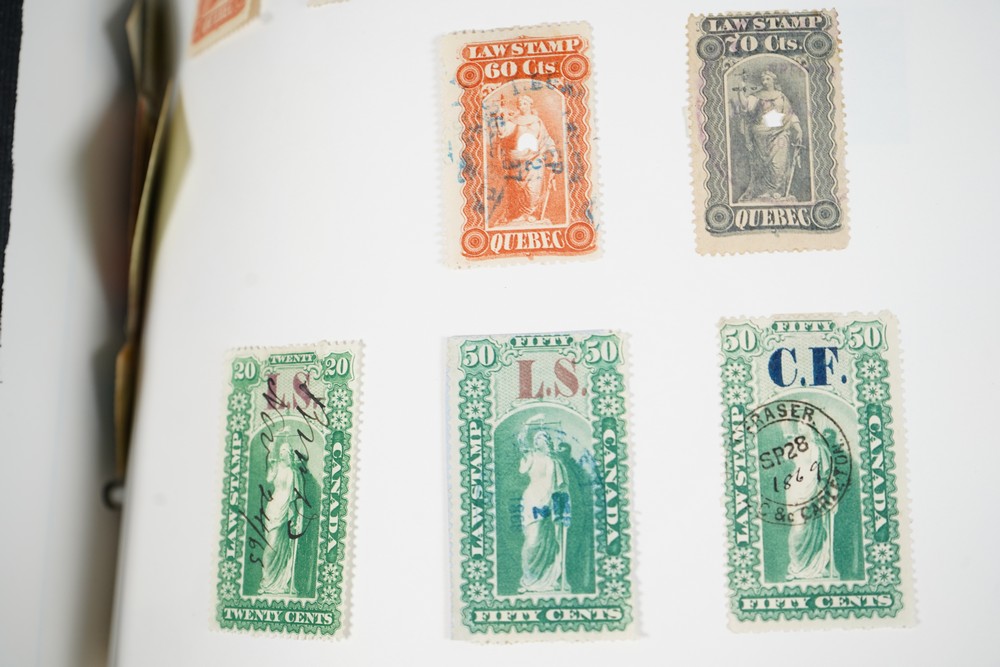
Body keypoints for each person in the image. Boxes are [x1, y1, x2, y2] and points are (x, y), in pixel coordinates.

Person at [732, 69, 804, 203]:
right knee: (763, 166)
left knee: (779, 164)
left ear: (773, 81)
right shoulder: (756, 96)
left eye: (767, 79)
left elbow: (789, 114)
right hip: (760, 136)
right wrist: (740, 90)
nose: (764, 82)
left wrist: (798, 129)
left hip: (780, 133)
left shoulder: (781, 97)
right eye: (763, 79)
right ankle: (764, 192)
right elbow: (745, 106)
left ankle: (777, 191)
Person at [489, 94, 561, 225]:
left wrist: (553, 151)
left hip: (535, 157)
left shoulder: (537, 121)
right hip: (517, 159)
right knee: (519, 189)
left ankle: (531, 213)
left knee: (534, 187)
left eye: (524, 103)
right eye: (520, 104)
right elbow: (503, 132)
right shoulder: (514, 121)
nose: (522, 106)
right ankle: (521, 215)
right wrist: (499, 117)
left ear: (530, 105)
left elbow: (546, 138)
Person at [517, 426, 571, 593]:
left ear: (546, 442)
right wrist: (526, 427)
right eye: (535, 439)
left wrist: (548, 504)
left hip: (546, 502)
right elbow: (521, 445)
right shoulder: (530, 457)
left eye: (539, 438)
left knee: (548, 540)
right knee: (531, 540)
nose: (536, 441)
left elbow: (553, 485)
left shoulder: (552, 462)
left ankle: (548, 579)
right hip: (530, 500)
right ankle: (529, 579)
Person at [784, 425, 839, 580]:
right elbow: (785, 458)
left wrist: (830, 493)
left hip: (813, 489)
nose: (801, 429)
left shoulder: (818, 448)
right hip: (796, 489)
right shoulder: (794, 445)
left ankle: (816, 567)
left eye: (805, 426)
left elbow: (827, 474)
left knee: (815, 528)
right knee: (797, 529)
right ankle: (797, 566)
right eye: (799, 427)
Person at [258, 438, 305, 595]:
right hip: (273, 509)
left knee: (282, 547)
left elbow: (300, 498)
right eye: (281, 450)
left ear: (290, 454)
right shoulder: (276, 467)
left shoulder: (295, 473)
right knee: (271, 545)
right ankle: (266, 580)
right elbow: (268, 479)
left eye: (286, 450)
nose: (283, 453)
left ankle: (279, 582)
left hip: (286, 511)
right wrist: (272, 457)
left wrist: (300, 517)